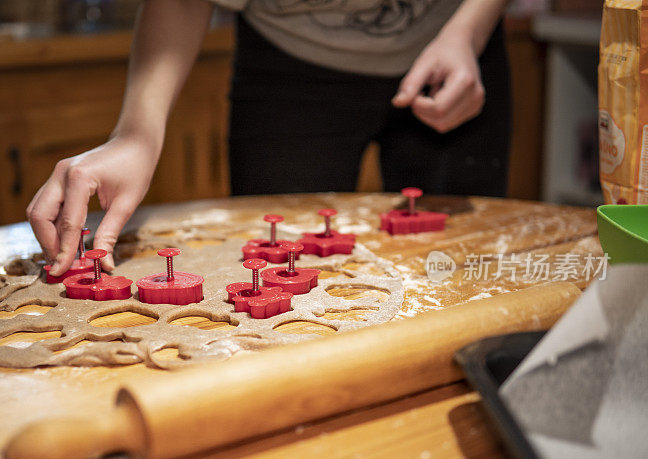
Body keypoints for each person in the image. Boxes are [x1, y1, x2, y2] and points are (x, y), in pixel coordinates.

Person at [28, 0, 511, 275]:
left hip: (455, 41)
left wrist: (468, 32)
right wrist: (136, 134)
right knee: (277, 273)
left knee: (461, 266)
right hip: (287, 63)